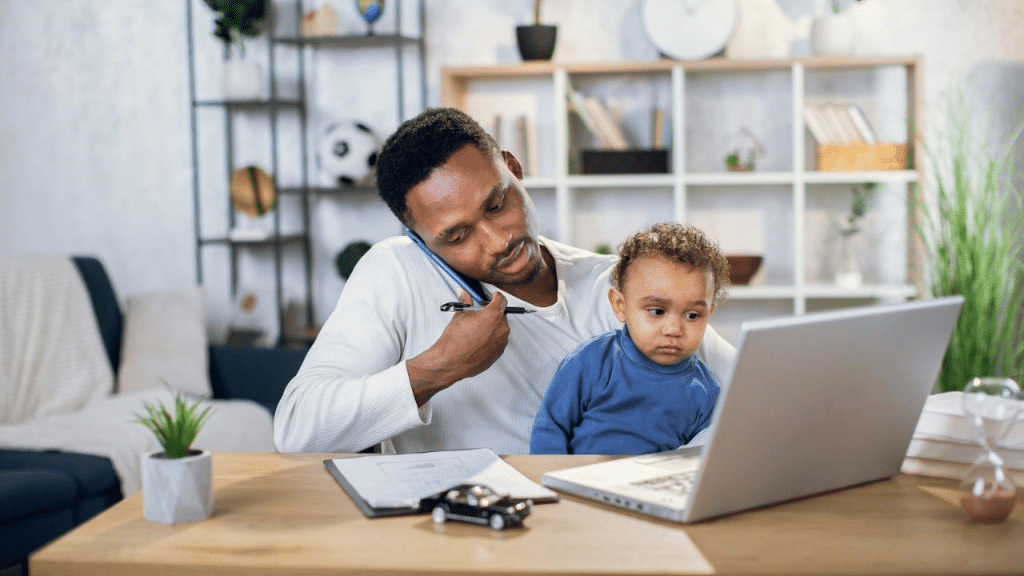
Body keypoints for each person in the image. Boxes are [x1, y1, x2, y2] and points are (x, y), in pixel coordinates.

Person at [273, 108, 736, 454]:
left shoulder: (615, 284)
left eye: (497, 205)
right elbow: (298, 431)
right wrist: (437, 367)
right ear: (421, 240)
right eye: (457, 236)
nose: (498, 241)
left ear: (513, 170)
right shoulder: (395, 272)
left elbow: (748, 398)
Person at [530, 222, 728, 455]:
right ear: (620, 305)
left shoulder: (706, 391)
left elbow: (704, 459)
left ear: (709, 314)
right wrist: (551, 482)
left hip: (652, 487)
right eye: (656, 311)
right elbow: (549, 429)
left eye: (693, 315)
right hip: (582, 480)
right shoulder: (591, 361)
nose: (674, 329)